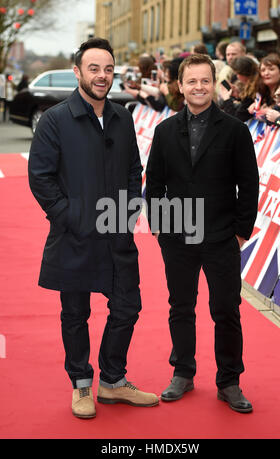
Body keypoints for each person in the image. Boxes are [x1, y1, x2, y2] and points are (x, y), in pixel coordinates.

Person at [28, 37, 159, 419]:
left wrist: (132, 208)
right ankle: (81, 384)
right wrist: (69, 216)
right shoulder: (55, 119)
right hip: (75, 237)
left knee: (127, 307)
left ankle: (113, 381)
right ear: (78, 72)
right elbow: (41, 178)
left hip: (118, 234)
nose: (102, 76)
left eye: (107, 68)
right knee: (75, 314)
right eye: (93, 68)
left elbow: (135, 168)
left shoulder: (122, 115)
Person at [146, 54, 259, 413]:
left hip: (221, 236)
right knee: (181, 306)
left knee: (226, 309)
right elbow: (155, 183)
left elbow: (249, 185)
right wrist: (160, 226)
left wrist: (240, 232)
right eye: (191, 81)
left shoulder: (235, 130)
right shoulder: (164, 131)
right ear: (180, 86)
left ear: (214, 83)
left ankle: (229, 381)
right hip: (177, 237)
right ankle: (183, 372)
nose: (198, 87)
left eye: (204, 81)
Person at [219, 56, 259, 121]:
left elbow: (236, 118)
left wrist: (226, 99)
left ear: (244, 73)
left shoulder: (255, 89)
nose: (237, 77)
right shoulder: (250, 88)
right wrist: (238, 95)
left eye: (237, 73)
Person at [247, 54, 280, 122]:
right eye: (263, 70)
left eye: (271, 69)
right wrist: (255, 108)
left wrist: (266, 111)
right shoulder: (260, 94)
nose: (266, 73)